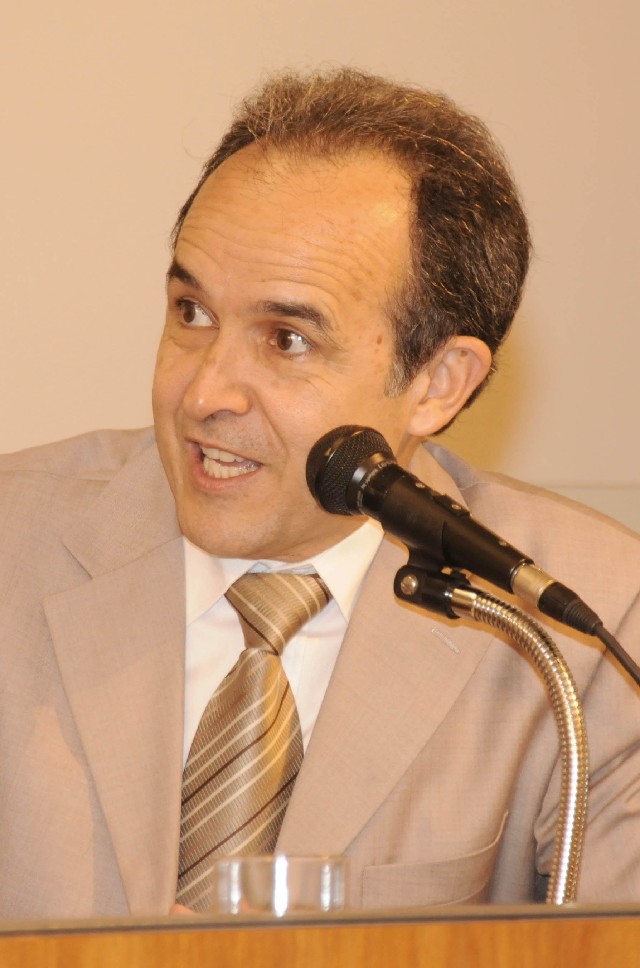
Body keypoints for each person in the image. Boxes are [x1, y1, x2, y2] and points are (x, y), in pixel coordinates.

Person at [0, 68, 638, 920]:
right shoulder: (13, 539)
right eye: (192, 313)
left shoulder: (585, 624)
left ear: (438, 383)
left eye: (287, 339)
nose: (205, 393)